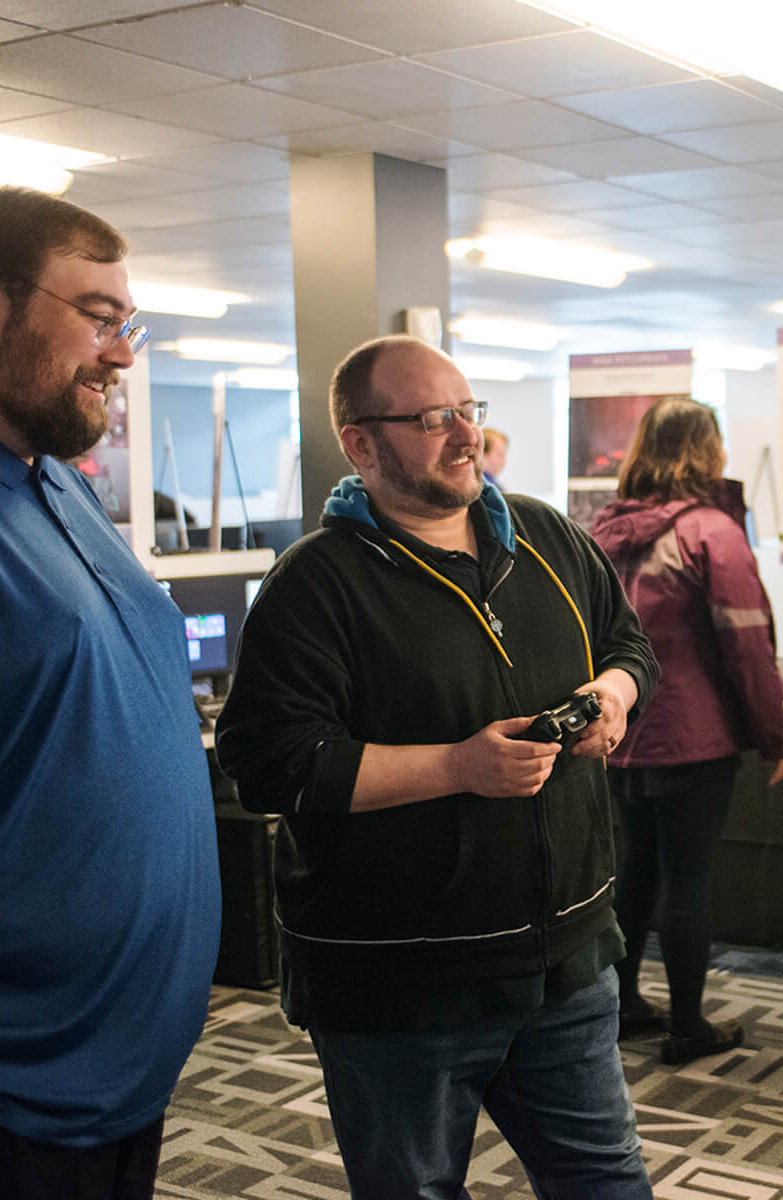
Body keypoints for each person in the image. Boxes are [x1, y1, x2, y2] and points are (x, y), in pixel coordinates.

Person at [213, 335, 659, 1200]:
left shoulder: (546, 537)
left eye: (468, 411)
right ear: (361, 443)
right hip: (400, 992)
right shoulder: (315, 582)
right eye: (430, 419)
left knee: (608, 1184)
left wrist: (613, 695)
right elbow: (269, 764)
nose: (464, 435)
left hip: (564, 966)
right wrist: (460, 766)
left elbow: (628, 642)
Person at [0, 187, 220, 1198]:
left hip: (115, 1058)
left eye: (125, 323)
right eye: (97, 318)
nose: (122, 353)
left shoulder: (53, 476)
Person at [590, 398, 783, 1065]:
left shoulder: (600, 531)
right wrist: (774, 735)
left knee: (633, 876)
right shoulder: (712, 530)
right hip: (692, 738)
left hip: (618, 735)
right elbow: (747, 644)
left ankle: (622, 1009)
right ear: (706, 450)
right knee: (689, 881)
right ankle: (688, 1026)